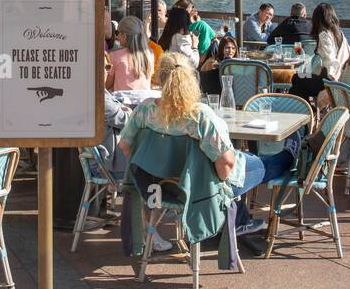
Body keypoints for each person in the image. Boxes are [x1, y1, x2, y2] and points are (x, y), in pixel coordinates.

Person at [118, 52, 276, 236]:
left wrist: (156, 168)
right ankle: (289, 158)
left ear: (160, 79)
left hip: (161, 187)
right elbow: (226, 164)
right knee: (264, 165)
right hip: (200, 190)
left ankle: (238, 219)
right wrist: (215, 187)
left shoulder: (145, 109)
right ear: (191, 79)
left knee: (249, 161)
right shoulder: (200, 116)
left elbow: (124, 145)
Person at [289, 2, 350, 101]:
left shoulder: (324, 34)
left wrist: (331, 81)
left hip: (330, 80)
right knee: (297, 87)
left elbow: (330, 59)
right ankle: (307, 109)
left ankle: (306, 109)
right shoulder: (339, 34)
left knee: (296, 78)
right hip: (342, 78)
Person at [107, 16, 155, 92]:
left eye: (118, 33)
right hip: (143, 102)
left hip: (122, 102)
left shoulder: (115, 56)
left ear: (124, 36)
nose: (117, 36)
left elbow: (107, 84)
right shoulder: (149, 54)